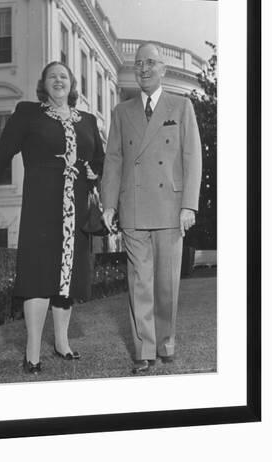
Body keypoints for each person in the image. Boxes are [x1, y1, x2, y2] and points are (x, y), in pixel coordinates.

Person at [0, 61, 104, 374]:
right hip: (41, 204)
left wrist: (93, 172)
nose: (59, 80)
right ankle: (32, 350)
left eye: (64, 76)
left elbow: (99, 158)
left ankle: (62, 342)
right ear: (44, 83)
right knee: (39, 275)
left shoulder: (87, 119)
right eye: (52, 76)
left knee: (66, 277)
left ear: (72, 84)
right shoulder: (28, 113)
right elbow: (2, 153)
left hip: (76, 209)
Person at [101, 42, 202, 374]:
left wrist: (189, 205)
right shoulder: (121, 112)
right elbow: (113, 160)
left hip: (171, 209)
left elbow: (192, 158)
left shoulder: (181, 106)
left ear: (163, 70)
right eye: (138, 63)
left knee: (165, 284)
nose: (143, 68)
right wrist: (108, 204)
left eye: (150, 63)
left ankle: (166, 342)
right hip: (133, 207)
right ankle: (144, 351)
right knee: (139, 282)